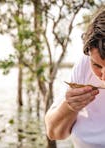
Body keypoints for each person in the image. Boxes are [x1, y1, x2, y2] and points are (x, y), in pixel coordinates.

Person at [45, 6, 105, 148]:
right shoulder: (84, 65)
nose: (103, 78)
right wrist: (70, 106)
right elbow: (53, 132)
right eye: (97, 66)